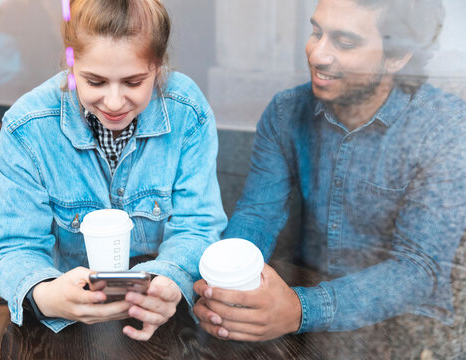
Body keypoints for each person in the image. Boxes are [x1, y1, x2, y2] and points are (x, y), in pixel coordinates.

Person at [194, 0, 466, 341]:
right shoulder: (285, 111)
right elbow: (257, 215)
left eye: (345, 42)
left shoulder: (446, 127)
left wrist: (300, 308)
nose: (317, 54)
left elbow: (417, 268)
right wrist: (224, 291)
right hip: (303, 303)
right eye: (316, 32)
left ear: (398, 56)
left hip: (405, 327)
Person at [0, 0, 227, 341]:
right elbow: (12, 249)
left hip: (164, 325)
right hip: (68, 331)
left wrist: (170, 280)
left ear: (157, 67)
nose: (114, 103)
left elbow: (198, 226)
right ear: (71, 64)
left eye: (133, 82)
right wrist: (48, 294)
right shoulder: (27, 128)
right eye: (95, 82)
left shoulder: (188, 111)